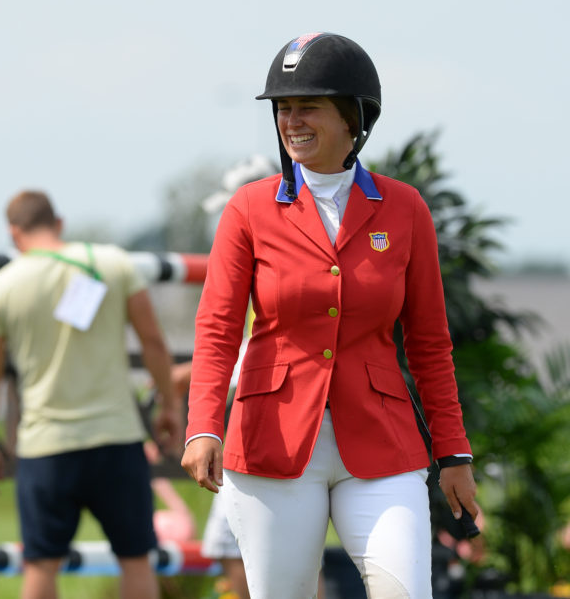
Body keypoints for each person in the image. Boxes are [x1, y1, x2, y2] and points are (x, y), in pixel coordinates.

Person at [181, 32, 479, 598]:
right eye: (283, 109)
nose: (291, 120)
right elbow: (217, 328)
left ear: (353, 118)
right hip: (272, 441)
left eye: (307, 107)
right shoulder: (248, 208)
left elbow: (430, 343)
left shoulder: (405, 208)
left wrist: (454, 453)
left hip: (383, 442)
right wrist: (203, 426)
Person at [0, 190, 182, 599]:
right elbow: (154, 343)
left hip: (45, 447)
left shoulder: (0, 287)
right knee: (136, 560)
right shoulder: (113, 264)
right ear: (59, 223)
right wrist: (170, 407)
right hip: (117, 441)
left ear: (14, 233)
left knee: (41, 566)